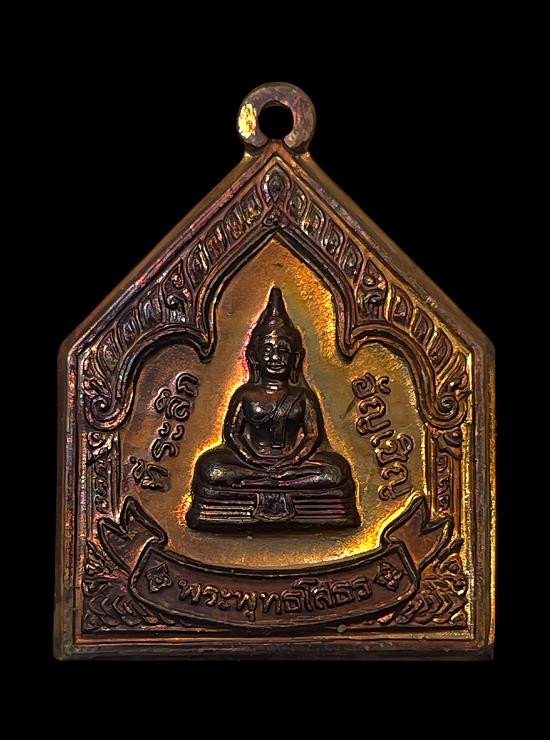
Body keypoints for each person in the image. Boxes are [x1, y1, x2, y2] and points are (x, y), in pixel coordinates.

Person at [186, 287, 359, 530]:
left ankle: (270, 482)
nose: (275, 357)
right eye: (267, 350)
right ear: (254, 357)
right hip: (250, 463)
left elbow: (312, 435)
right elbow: (233, 434)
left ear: (295, 358)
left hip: (294, 464)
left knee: (336, 470)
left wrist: (293, 460)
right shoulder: (245, 394)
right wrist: (252, 458)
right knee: (211, 467)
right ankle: (275, 481)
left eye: (282, 350)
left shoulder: (302, 396)